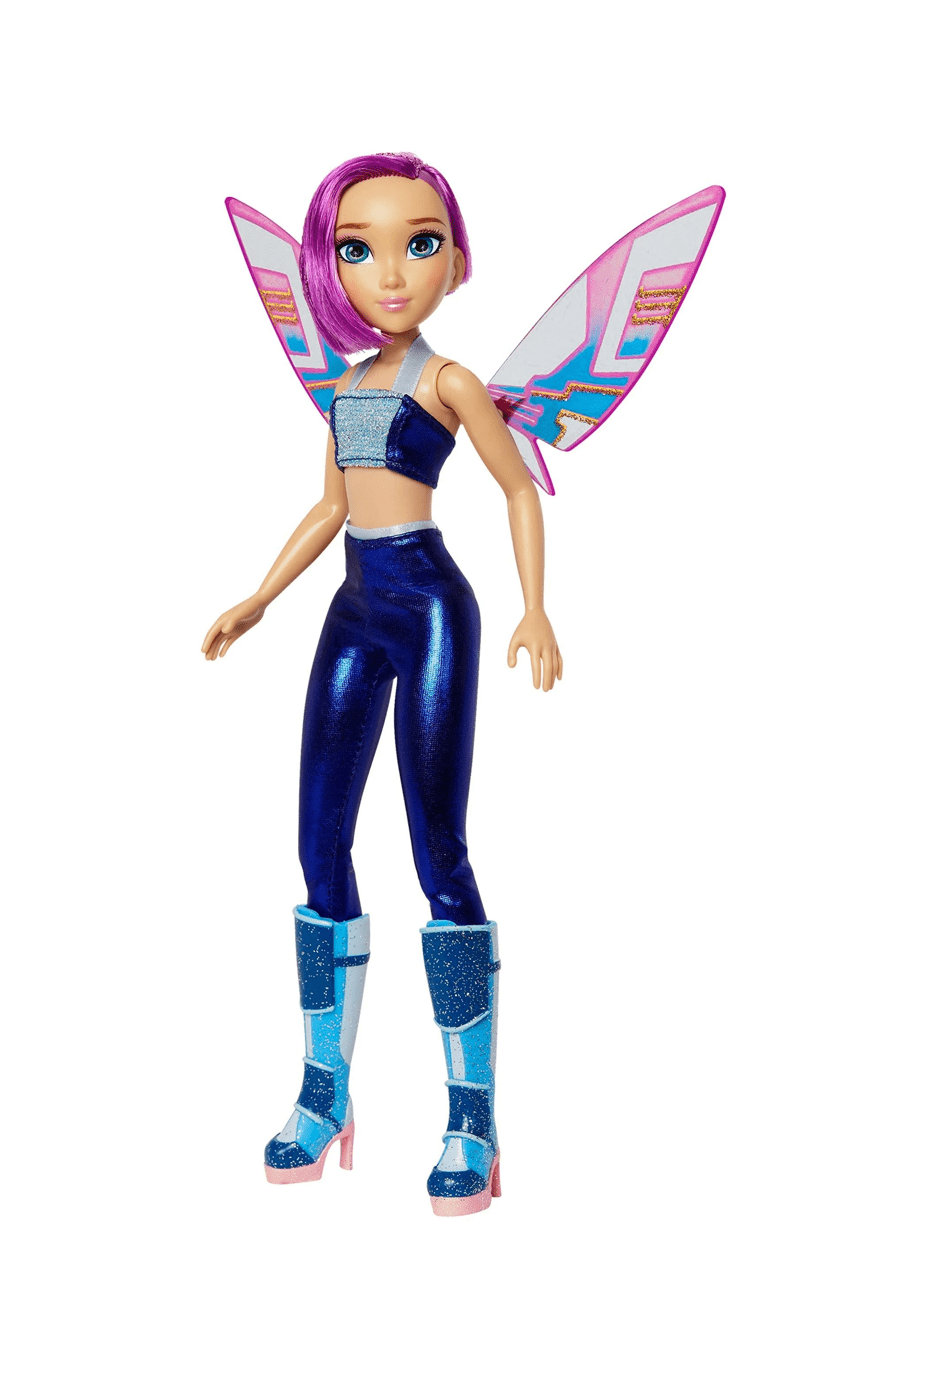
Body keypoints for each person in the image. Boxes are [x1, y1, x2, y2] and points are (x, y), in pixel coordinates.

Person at [202, 153, 562, 1216]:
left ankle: (472, 1116)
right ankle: (325, 1088)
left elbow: (517, 488)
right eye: (358, 249)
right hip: (353, 608)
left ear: (454, 259)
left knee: (437, 849)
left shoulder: (451, 384)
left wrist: (536, 607)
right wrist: (259, 595)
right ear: (330, 267)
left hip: (430, 605)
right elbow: (329, 506)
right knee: (318, 842)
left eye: (420, 243)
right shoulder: (343, 387)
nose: (391, 273)